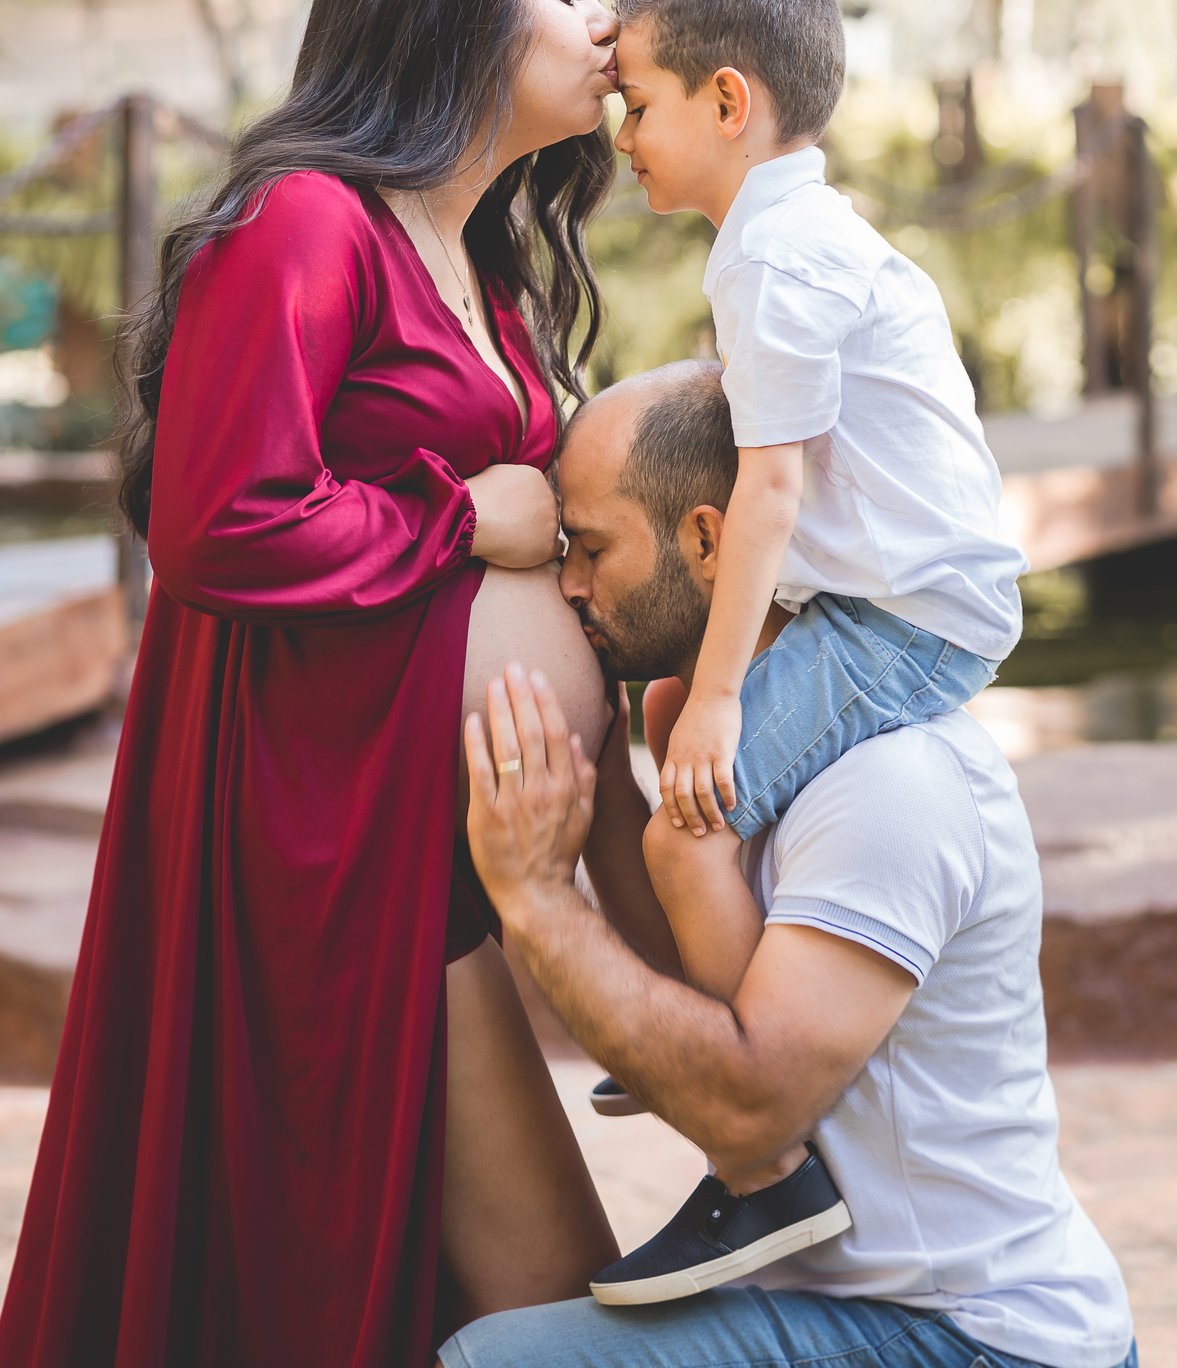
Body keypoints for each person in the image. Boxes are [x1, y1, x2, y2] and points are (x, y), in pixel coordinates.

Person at [0, 0, 626, 1368]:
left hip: (430, 838)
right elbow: (220, 523)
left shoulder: (486, 261)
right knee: (524, 1292)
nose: (607, 22)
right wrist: (461, 519)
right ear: (452, 17)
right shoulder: (306, 224)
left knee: (528, 1299)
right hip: (326, 837)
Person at [440, 360, 1136, 1368]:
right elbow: (693, 1000)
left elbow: (745, 1110)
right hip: (842, 1304)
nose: (570, 584)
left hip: (976, 1336)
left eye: (591, 549)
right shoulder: (721, 753)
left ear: (708, 542)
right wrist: (601, 796)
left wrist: (539, 901)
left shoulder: (889, 783)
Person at [593, 0, 1031, 1278]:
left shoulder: (775, 260)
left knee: (684, 828)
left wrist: (724, 700)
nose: (623, 141)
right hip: (899, 597)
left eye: (639, 106)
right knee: (674, 712)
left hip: (904, 621)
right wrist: (701, 696)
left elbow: (771, 491)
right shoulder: (794, 233)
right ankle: (717, 1005)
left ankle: (765, 1158)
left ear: (729, 102)